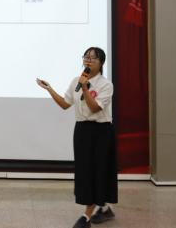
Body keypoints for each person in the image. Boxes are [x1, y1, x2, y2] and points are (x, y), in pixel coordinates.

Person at [36, 47, 117, 228]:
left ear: (101, 63)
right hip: (82, 131)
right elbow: (65, 104)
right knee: (85, 171)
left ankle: (86, 217)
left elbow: (95, 108)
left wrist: (86, 88)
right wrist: (49, 89)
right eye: (86, 57)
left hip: (101, 132)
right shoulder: (76, 81)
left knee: (98, 171)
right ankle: (104, 208)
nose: (88, 60)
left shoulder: (106, 85)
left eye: (93, 58)